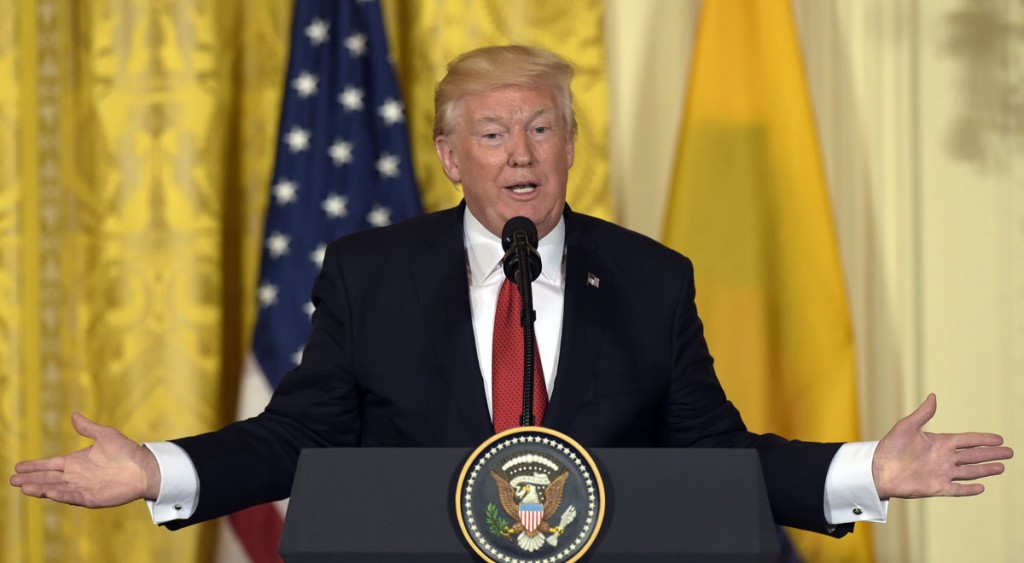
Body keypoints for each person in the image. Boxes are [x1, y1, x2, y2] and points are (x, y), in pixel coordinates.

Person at [10, 45, 1012, 538]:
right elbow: (292, 439)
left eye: (541, 128)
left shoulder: (650, 280)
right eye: (491, 133)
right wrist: (156, 467)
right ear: (451, 155)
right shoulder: (373, 274)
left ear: (570, 145)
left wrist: (863, 472)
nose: (520, 152)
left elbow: (713, 457)